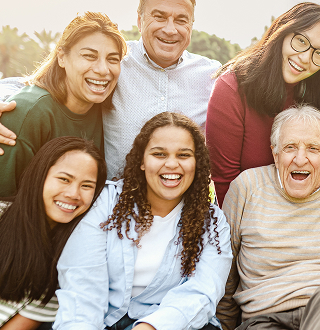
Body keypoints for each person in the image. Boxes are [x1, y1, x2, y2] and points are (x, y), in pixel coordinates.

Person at [0, 0, 220, 178]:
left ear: (191, 25)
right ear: (140, 19)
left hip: (180, 211)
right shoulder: (114, 60)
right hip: (110, 209)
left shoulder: (211, 76)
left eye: (180, 20)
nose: (169, 28)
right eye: (159, 16)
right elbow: (41, 81)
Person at [54, 112, 231, 330]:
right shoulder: (107, 203)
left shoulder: (211, 222)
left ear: (197, 164)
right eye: (159, 154)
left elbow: (203, 291)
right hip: (104, 321)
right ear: (142, 162)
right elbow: (82, 283)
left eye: (184, 155)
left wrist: (150, 327)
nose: (172, 164)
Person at [218, 105, 320, 329]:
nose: (300, 159)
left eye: (313, 148)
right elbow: (224, 270)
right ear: (275, 154)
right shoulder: (247, 187)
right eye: (290, 147)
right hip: (266, 317)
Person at [0, 12, 124, 198]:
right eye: (89, 56)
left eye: (113, 59)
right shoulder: (27, 113)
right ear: (62, 57)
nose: (103, 69)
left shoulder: (107, 108)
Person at [0, 136, 106, 330]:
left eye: (87, 185)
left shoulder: (67, 262)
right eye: (64, 179)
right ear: (39, 176)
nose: (73, 194)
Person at [207, 2, 320, 205]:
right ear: (281, 33)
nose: (306, 58)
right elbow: (226, 185)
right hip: (253, 220)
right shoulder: (232, 89)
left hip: (314, 215)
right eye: (300, 41)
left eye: (319, 53)